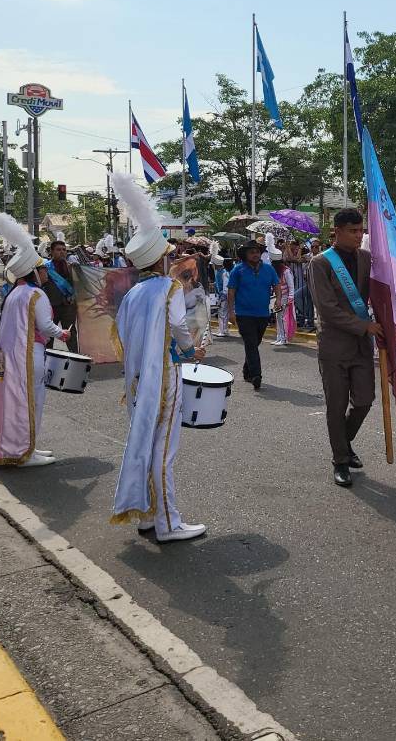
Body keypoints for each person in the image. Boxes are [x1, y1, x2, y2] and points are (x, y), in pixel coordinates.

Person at [109, 171, 207, 543]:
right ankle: (169, 523)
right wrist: (190, 350)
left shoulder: (134, 294)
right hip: (165, 379)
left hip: (139, 383)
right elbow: (181, 329)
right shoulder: (168, 288)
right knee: (164, 451)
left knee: (148, 445)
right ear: (161, 261)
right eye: (168, 256)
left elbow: (121, 334)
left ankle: (149, 516)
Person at [0, 213, 69, 467]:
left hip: (13, 356)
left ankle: (26, 446)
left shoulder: (15, 293)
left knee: (18, 403)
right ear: (34, 271)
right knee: (33, 402)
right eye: (41, 268)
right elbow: (45, 326)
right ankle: (24, 450)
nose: (45, 271)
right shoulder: (36, 294)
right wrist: (63, 333)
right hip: (30, 355)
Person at [308, 209, 382, 488]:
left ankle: (343, 442)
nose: (358, 235)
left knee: (364, 400)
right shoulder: (320, 263)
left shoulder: (365, 258)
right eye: (352, 231)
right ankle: (340, 459)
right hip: (334, 346)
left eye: (361, 230)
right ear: (337, 231)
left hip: (362, 346)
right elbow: (327, 309)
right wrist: (365, 326)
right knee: (336, 405)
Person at [228, 240, 279, 390]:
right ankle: (257, 375)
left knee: (254, 344)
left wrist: (279, 299)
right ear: (245, 255)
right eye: (252, 252)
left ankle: (247, 370)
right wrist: (231, 311)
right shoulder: (237, 270)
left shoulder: (269, 269)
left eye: (257, 251)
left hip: (263, 313)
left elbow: (276, 284)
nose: (256, 254)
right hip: (244, 314)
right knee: (251, 343)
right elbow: (231, 291)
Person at [42, 239, 79, 353]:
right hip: (51, 306)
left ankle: (75, 358)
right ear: (51, 251)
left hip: (68, 307)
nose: (62, 252)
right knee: (49, 334)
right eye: (58, 250)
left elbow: (78, 285)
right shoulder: (45, 268)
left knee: (71, 333)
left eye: (64, 250)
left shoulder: (72, 267)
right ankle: (46, 358)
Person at [272, 255, 296, 346]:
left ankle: (284, 338)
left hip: (285, 297)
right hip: (277, 297)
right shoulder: (276, 271)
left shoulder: (286, 271)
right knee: (278, 317)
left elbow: (291, 285)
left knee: (283, 318)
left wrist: (290, 297)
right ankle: (279, 336)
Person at [212, 252, 231, 338]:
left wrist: (223, 296)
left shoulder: (224, 273)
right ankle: (224, 329)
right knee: (224, 313)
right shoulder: (219, 272)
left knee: (222, 313)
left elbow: (226, 286)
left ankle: (222, 330)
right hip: (222, 295)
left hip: (224, 296)